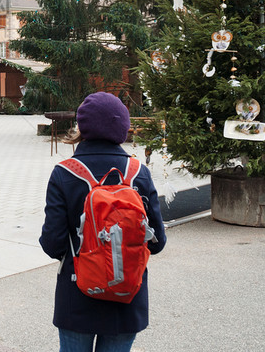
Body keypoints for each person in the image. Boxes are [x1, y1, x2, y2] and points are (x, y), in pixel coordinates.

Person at [40, 92, 167, 352]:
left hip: (77, 293)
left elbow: (52, 244)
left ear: (82, 125)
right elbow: (157, 243)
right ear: (122, 126)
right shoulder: (138, 173)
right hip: (127, 293)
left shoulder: (64, 173)